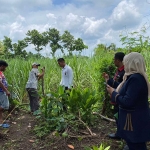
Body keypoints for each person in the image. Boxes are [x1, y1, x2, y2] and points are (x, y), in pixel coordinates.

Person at [106, 52, 150, 150]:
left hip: (134, 122)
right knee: (135, 145)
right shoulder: (133, 77)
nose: (125, 65)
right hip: (134, 120)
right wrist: (112, 86)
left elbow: (127, 101)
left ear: (132, 63)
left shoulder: (136, 79)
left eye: (127, 62)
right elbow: (124, 89)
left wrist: (113, 93)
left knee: (137, 146)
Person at [103, 52, 125, 139]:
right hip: (116, 98)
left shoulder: (125, 72)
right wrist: (108, 80)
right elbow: (116, 83)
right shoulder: (119, 70)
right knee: (117, 117)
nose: (113, 61)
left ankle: (124, 136)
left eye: (114, 60)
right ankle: (119, 134)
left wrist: (112, 86)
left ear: (118, 60)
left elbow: (121, 86)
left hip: (120, 98)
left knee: (121, 117)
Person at [0, 60, 10, 125]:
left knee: (1, 105)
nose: (5, 68)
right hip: (1, 91)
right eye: (5, 67)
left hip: (2, 91)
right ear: (2, 66)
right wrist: (6, 91)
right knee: (5, 106)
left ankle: (1, 120)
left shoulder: (0, 72)